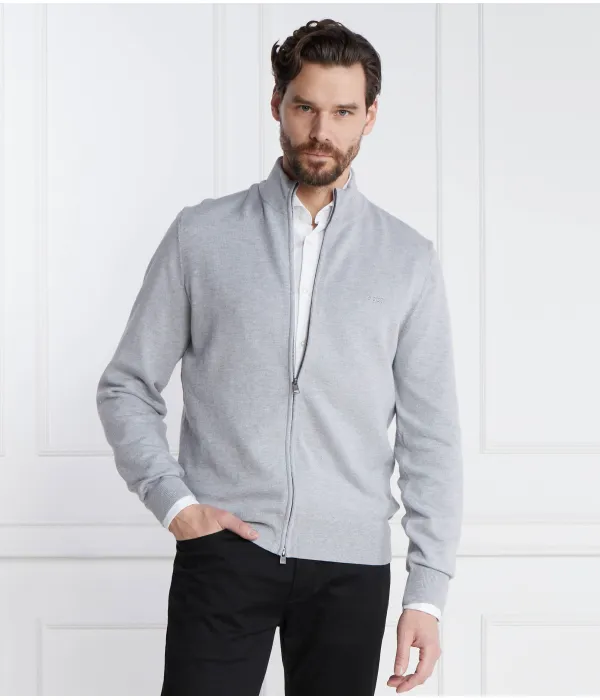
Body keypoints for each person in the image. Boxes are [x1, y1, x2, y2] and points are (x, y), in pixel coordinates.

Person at [96, 18, 463, 696]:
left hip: (351, 570)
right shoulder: (202, 236)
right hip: (224, 550)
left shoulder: (407, 260)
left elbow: (430, 435)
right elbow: (127, 386)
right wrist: (178, 507)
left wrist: (427, 593)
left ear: (370, 117)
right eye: (305, 107)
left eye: (343, 112)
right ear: (277, 104)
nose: (321, 130)